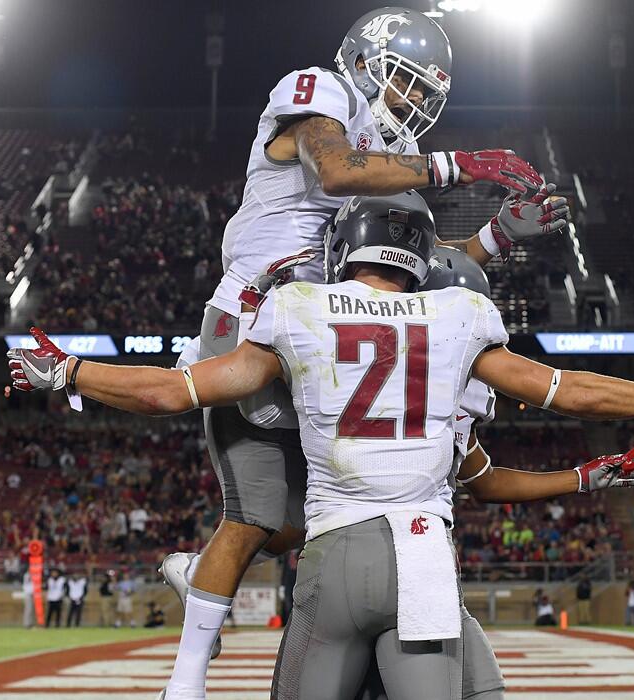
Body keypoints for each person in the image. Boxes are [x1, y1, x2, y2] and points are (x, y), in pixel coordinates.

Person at [9, 192, 634, 699]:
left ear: (344, 254)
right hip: (423, 554)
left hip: (335, 553)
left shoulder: (297, 305)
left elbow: (172, 391)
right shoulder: (457, 313)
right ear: (421, 267)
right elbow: (559, 388)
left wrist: (69, 369)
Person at [149, 5, 564, 694]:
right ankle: (186, 683)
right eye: (405, 82)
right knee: (255, 516)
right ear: (367, 59)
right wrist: (455, 166)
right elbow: (336, 171)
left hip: (326, 338)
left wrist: (497, 237)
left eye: (425, 97)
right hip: (258, 313)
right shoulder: (322, 92)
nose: (411, 103)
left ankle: (209, 580)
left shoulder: (389, 166)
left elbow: (407, 270)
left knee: (321, 522)